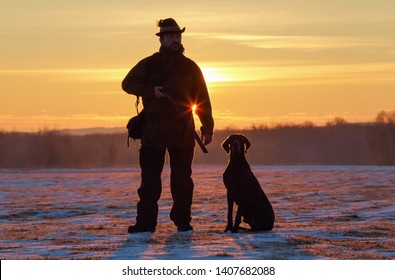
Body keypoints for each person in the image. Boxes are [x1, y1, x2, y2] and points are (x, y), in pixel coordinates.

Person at [122, 18, 214, 232]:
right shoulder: (148, 64)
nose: (175, 39)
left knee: (182, 182)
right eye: (171, 36)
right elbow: (127, 84)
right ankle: (145, 223)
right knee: (149, 184)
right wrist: (150, 91)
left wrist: (207, 127)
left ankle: (183, 222)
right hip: (152, 133)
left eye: (178, 36)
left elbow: (202, 99)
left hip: (182, 133)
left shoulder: (191, 67)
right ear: (161, 39)